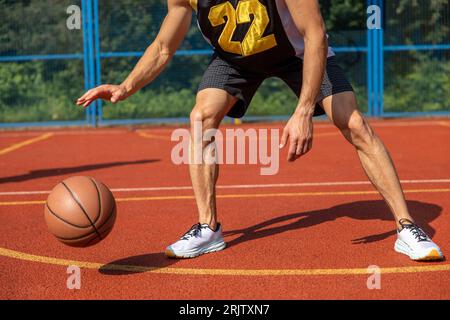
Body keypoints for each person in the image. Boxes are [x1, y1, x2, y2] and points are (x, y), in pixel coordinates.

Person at [77, 0, 443, 261]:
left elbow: (314, 35)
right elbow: (161, 47)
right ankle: (208, 229)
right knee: (200, 118)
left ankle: (407, 228)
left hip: (299, 53)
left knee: (354, 123)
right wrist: (125, 86)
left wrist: (303, 110)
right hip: (236, 59)